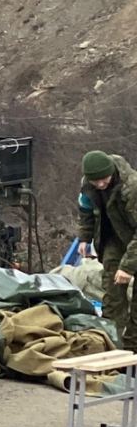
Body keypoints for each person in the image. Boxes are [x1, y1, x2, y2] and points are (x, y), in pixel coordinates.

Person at [76, 150, 137, 350]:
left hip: (134, 236)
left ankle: (134, 347)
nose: (101, 185)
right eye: (96, 182)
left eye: (104, 180)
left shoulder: (132, 188)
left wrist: (128, 267)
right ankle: (113, 346)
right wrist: (84, 238)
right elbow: (86, 212)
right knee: (112, 294)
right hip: (114, 238)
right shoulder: (88, 185)